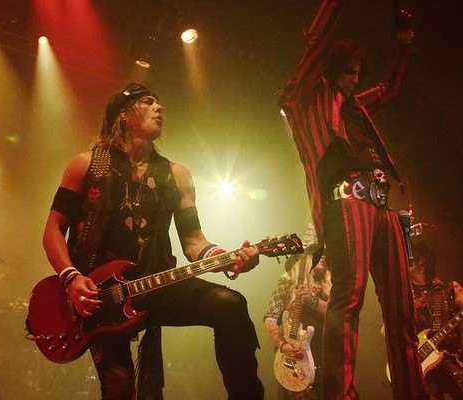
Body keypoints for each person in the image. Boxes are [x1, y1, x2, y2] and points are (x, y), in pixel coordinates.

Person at [41, 82, 265, 400]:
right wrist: (71, 278)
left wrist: (226, 257)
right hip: (101, 297)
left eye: (159, 103)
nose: (159, 108)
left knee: (230, 305)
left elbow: (194, 240)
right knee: (120, 387)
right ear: (123, 115)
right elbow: (53, 229)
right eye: (148, 102)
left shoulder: (177, 174)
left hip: (155, 284)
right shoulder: (86, 164)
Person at [278, 0, 429, 399]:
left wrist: (404, 37)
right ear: (329, 70)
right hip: (346, 199)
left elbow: (390, 87)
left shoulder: (355, 105)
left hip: (382, 204)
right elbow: (316, 42)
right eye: (348, 71)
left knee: (401, 310)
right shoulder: (306, 96)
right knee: (349, 300)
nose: (354, 78)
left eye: (358, 73)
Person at [264, 227, 330, 400]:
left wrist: (313, 301)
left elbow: (341, 316)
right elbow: (270, 319)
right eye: (317, 253)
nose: (323, 257)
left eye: (325, 254)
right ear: (304, 257)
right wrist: (283, 345)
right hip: (293, 360)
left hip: (326, 357)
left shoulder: (333, 284)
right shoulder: (287, 281)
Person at [408, 241, 463, 400]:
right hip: (423, 368)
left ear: (420, 260)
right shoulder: (404, 295)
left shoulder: (448, 287)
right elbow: (387, 330)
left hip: (451, 358)